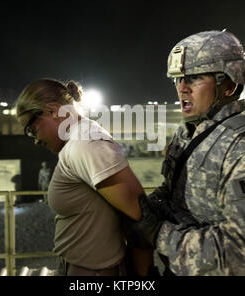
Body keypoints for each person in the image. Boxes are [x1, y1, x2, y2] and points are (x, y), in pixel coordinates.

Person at [126, 30, 245, 275]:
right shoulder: (191, 134)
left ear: (229, 85)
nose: (182, 88)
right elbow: (178, 197)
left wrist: (159, 235)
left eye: (193, 78)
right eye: (177, 79)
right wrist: (147, 209)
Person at [15, 78, 151, 276]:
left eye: (32, 130)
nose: (35, 140)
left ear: (53, 111)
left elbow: (141, 218)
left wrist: (143, 277)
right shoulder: (78, 140)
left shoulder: (85, 143)